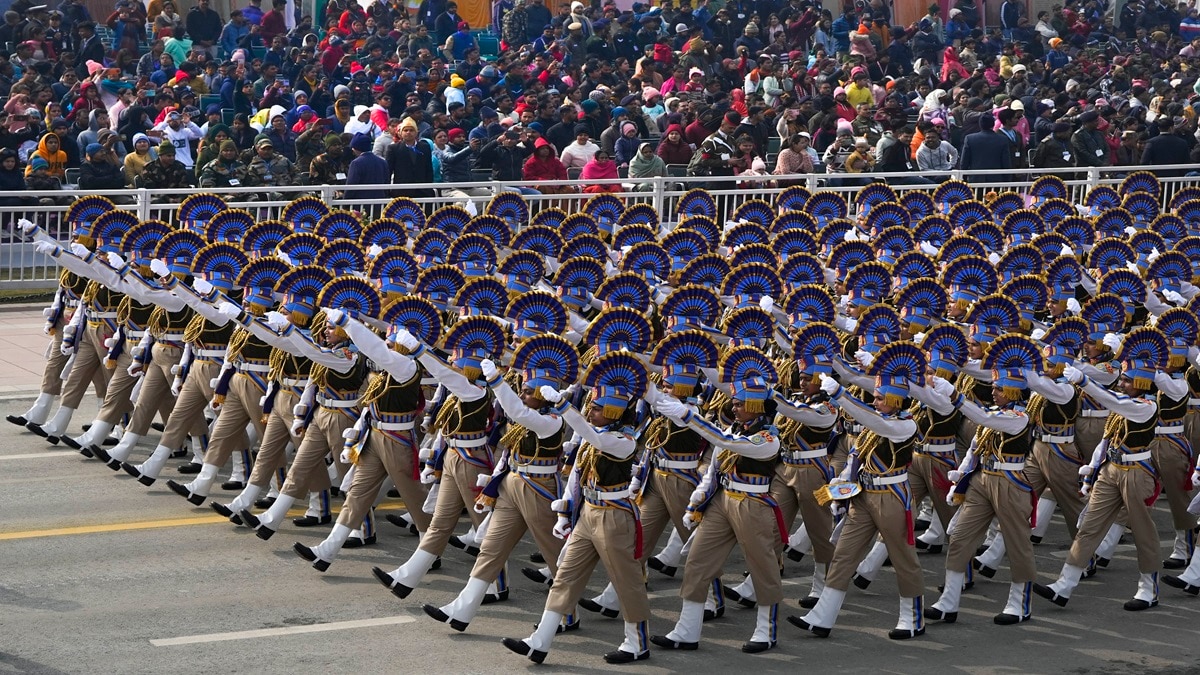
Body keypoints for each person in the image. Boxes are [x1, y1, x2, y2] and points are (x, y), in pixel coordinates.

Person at [502, 352, 651, 665]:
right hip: (587, 513)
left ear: (613, 411)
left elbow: (588, 434)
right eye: (591, 407)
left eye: (597, 408)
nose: (591, 412)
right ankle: (540, 641)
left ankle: (637, 642)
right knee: (565, 576)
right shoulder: (595, 435)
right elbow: (578, 474)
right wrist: (564, 511)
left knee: (626, 581)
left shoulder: (623, 440)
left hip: (614, 515)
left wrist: (563, 406)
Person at [789, 342, 926, 640]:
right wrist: (835, 490)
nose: (875, 401)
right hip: (863, 496)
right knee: (843, 556)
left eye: (880, 397)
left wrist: (840, 394)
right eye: (874, 397)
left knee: (904, 559)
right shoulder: (876, 422)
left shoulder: (904, 425)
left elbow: (871, 419)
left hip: (892, 498)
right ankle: (822, 616)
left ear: (895, 399)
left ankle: (912, 618)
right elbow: (856, 457)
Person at [1035, 328, 1165, 612]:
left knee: (1143, 531)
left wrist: (1083, 380)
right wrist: (1093, 466)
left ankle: (1148, 588)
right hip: (1111, 469)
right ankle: (1064, 585)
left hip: (1136, 471)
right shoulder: (1125, 404)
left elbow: (1113, 401)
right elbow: (1108, 438)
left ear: (1142, 384)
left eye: (1128, 381)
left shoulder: (1145, 406)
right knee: (1088, 527)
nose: (1122, 384)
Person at [387, 117, 435, 197]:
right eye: (405, 130)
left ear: (416, 132)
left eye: (411, 130)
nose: (408, 132)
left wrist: (428, 188)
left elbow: (428, 169)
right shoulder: (393, 148)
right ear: (401, 133)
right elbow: (389, 170)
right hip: (401, 191)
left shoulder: (425, 147)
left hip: (422, 191)